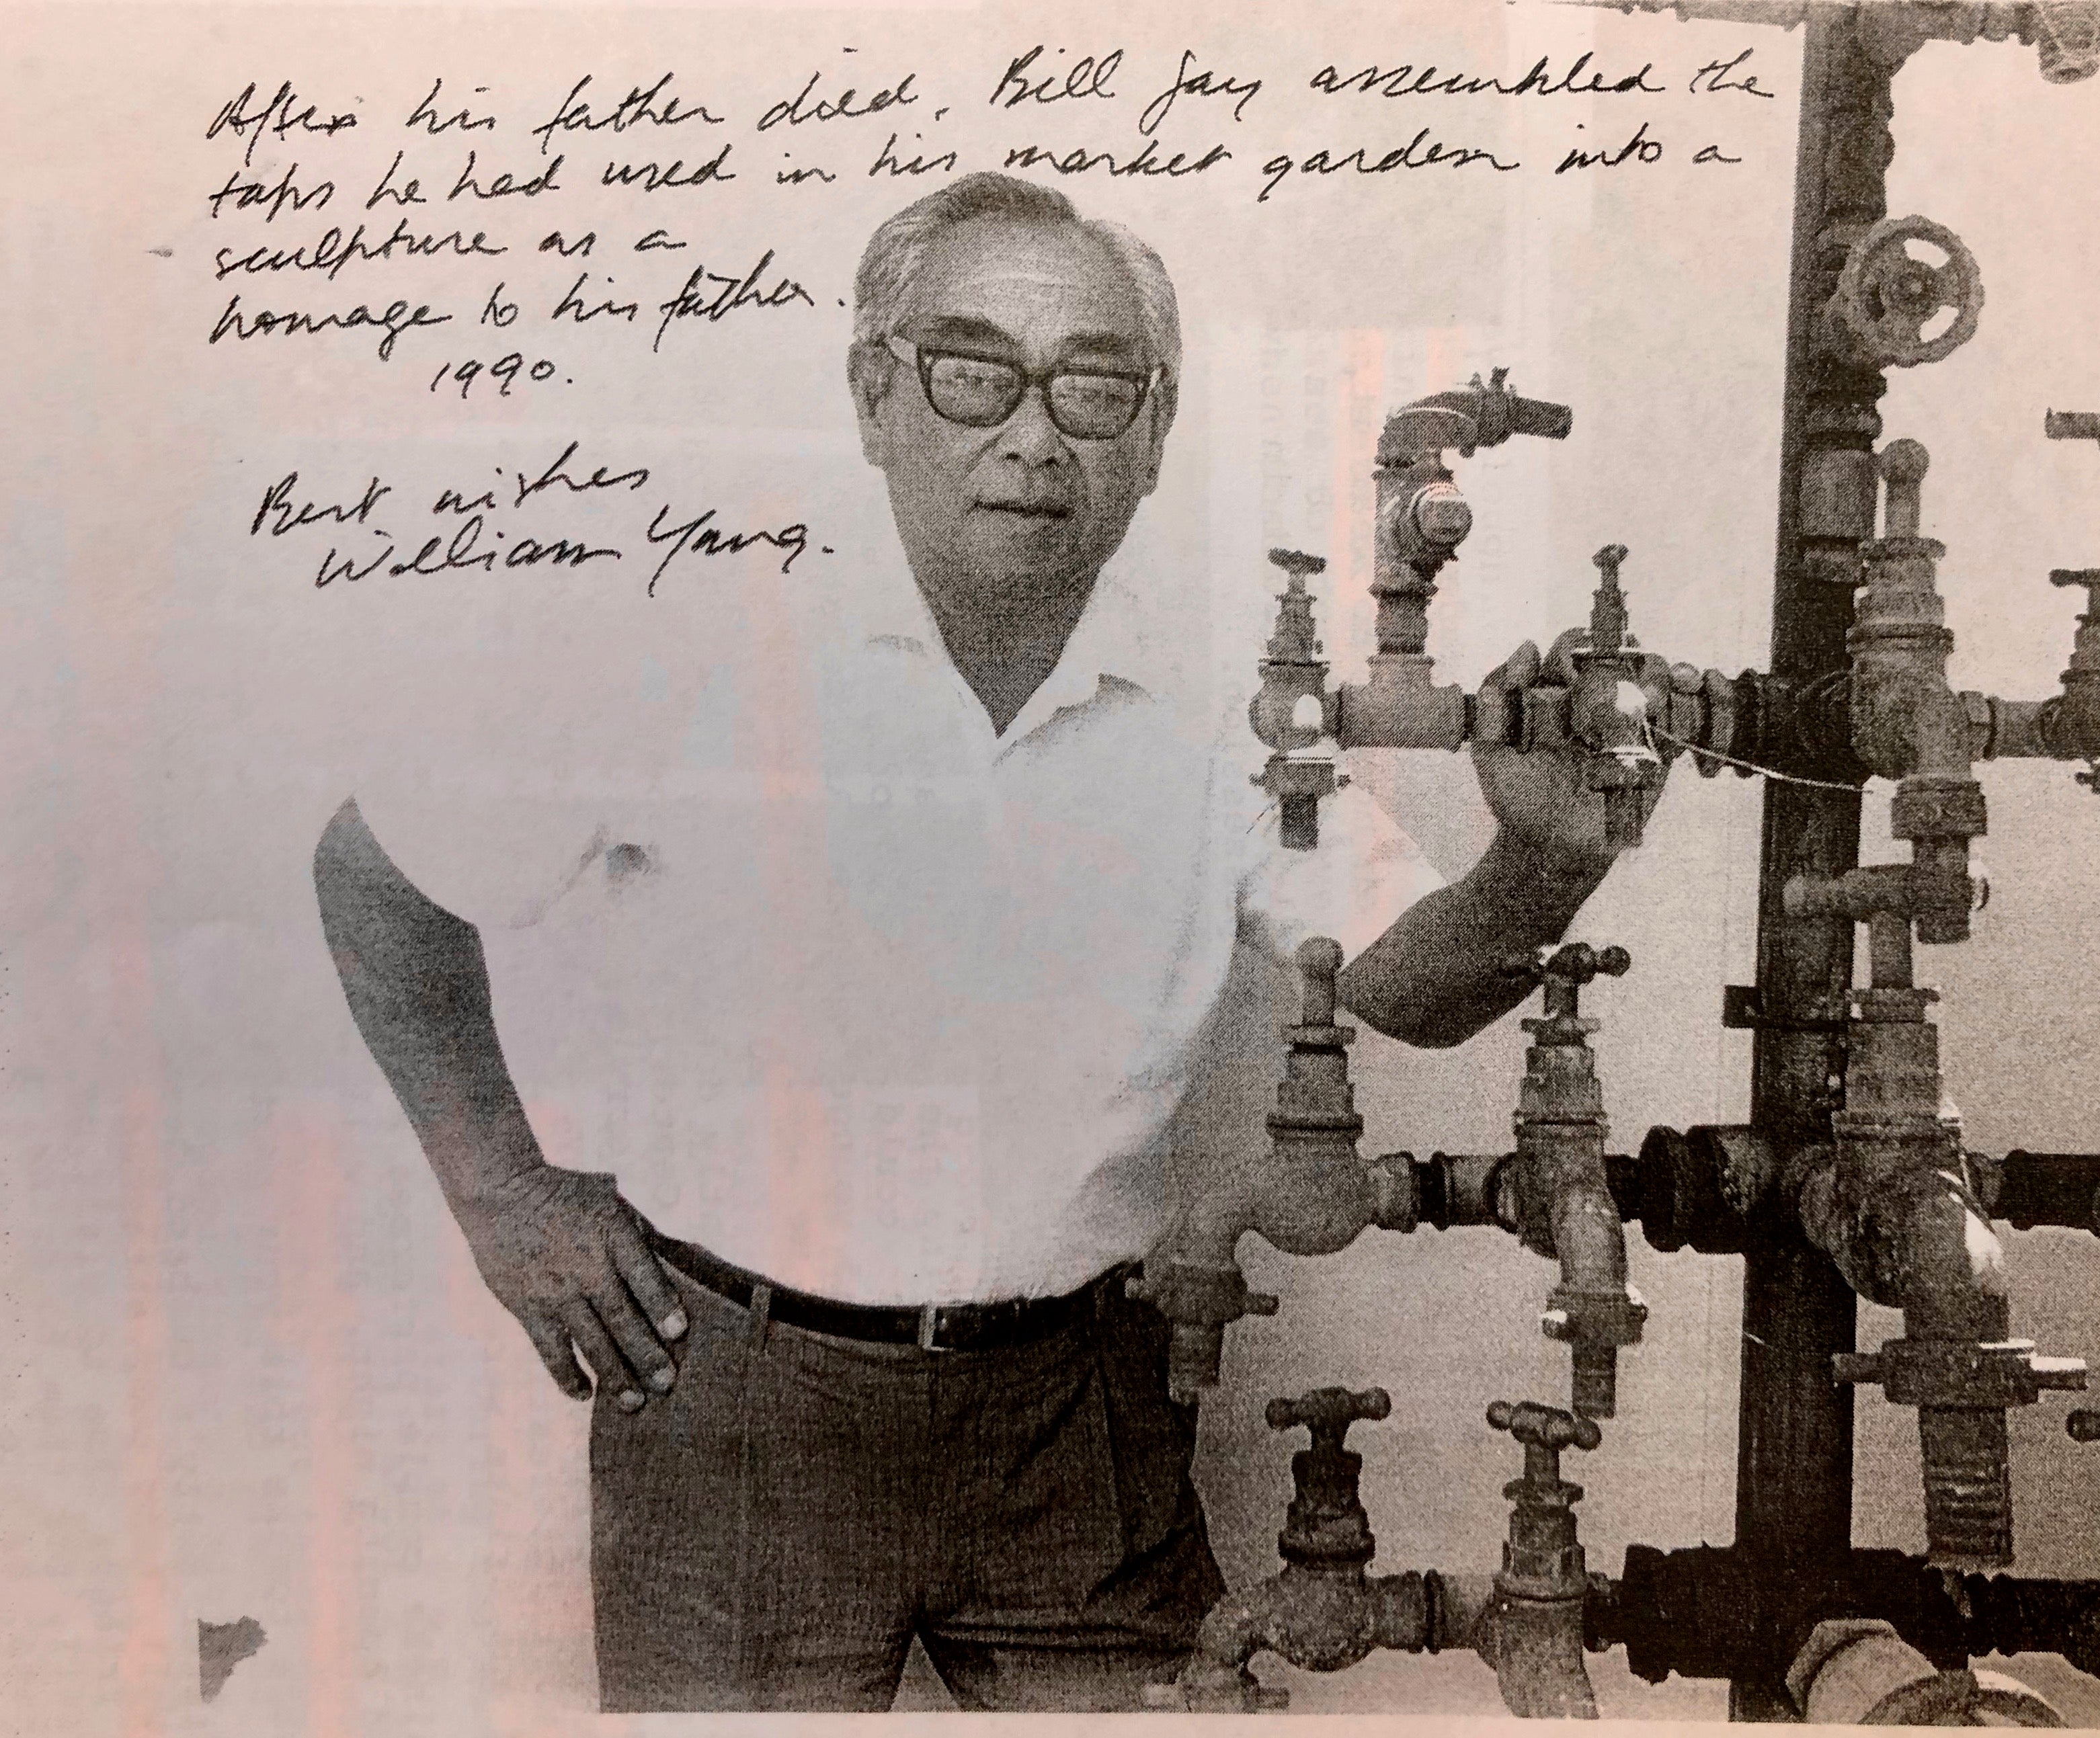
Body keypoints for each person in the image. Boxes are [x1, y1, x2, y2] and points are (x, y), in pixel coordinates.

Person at [313, 171, 1631, 1713]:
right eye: (971, 374)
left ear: (1155, 432)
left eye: (1094, 386)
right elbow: (379, 867)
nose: (1034, 437)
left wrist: (1547, 859)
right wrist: (499, 1195)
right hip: (745, 1415)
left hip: (1082, 1420)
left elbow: (1413, 983)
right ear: (874, 397)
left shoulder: (1221, 700)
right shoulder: (692, 638)